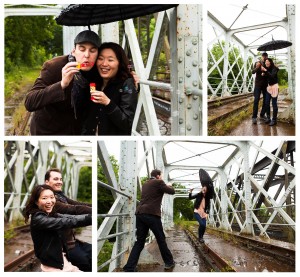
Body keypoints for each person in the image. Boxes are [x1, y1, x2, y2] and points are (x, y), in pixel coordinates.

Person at [25, 30, 101, 135]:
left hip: (76, 133)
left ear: (98, 53)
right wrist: (62, 84)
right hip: (47, 132)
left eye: (92, 51)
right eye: (82, 49)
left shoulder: (97, 71)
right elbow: (30, 102)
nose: (87, 55)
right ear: (74, 51)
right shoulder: (53, 66)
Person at [24, 184, 92, 272]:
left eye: (52, 197)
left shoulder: (50, 214)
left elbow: (68, 218)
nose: (49, 201)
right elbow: (67, 222)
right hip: (53, 266)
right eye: (44, 198)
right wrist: (90, 218)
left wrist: (89, 216)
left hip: (62, 261)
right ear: (36, 202)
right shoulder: (38, 218)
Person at [79, 42, 138, 135]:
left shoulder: (127, 84)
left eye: (110, 60)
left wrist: (108, 102)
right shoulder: (93, 82)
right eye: (100, 59)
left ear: (120, 63)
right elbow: (80, 66)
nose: (104, 64)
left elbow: (127, 123)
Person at [123, 169, 175, 272]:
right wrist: (169, 185)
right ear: (158, 176)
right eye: (161, 176)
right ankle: (169, 262)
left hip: (140, 213)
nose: (162, 177)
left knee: (139, 242)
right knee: (161, 239)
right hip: (151, 214)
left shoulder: (145, 184)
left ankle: (129, 267)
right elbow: (172, 192)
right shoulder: (159, 182)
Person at [44, 168, 92, 272]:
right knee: (86, 265)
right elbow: (72, 209)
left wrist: (93, 207)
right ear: (47, 182)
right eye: (56, 179)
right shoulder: (49, 200)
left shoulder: (60, 196)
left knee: (92, 252)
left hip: (72, 242)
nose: (60, 182)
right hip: (63, 247)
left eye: (61, 179)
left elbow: (77, 204)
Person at [261, 58, 279, 126]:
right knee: (266, 103)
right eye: (265, 62)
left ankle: (274, 120)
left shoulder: (275, 68)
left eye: (267, 61)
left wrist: (265, 71)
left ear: (270, 62)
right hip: (269, 87)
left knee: (274, 104)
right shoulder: (267, 69)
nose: (266, 63)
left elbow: (272, 76)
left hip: (274, 87)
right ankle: (268, 118)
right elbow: (267, 75)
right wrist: (264, 73)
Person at [251, 52, 268, 124]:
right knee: (256, 100)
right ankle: (254, 117)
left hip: (265, 85)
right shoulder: (257, 63)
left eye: (266, 56)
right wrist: (257, 67)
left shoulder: (268, 64)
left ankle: (262, 114)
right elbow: (252, 72)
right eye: (263, 56)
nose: (264, 57)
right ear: (262, 56)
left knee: (266, 100)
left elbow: (270, 73)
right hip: (258, 85)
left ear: (267, 57)